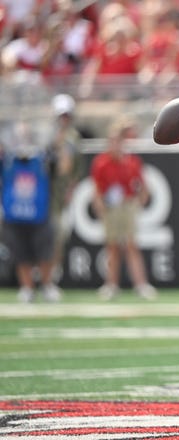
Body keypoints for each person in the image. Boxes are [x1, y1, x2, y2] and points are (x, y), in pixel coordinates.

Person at [90, 116, 157, 301]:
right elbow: (96, 187)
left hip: (127, 205)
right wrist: (99, 204)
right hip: (111, 206)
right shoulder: (101, 162)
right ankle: (111, 285)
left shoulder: (131, 161)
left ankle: (141, 284)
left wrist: (140, 200)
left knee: (130, 244)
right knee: (112, 246)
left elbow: (142, 185)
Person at [0, 120, 62, 303]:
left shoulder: (43, 159)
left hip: (38, 214)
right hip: (14, 215)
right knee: (21, 254)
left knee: (45, 253)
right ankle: (27, 287)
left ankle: (46, 285)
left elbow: (57, 167)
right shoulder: (7, 161)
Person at [48, 94, 84, 280]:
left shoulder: (73, 137)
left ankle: (52, 274)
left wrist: (71, 188)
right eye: (62, 115)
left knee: (59, 235)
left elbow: (76, 169)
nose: (64, 119)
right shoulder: (46, 135)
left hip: (61, 195)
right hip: (44, 193)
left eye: (67, 115)